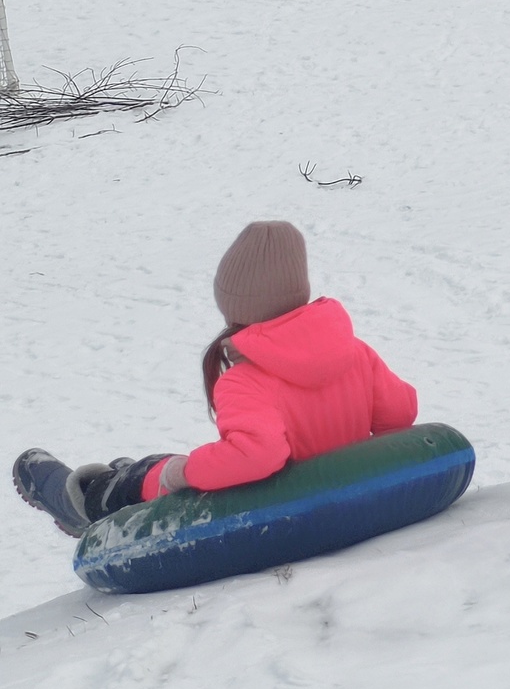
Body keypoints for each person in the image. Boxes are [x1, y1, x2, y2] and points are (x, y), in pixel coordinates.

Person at [12, 220, 419, 538]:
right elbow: (399, 413)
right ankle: (130, 470)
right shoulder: (356, 352)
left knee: (160, 473)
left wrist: (181, 473)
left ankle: (82, 499)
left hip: (274, 505)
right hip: (343, 493)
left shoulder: (247, 380)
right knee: (160, 467)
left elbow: (256, 457)